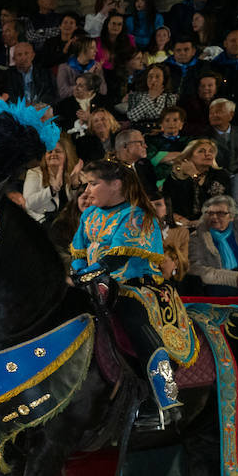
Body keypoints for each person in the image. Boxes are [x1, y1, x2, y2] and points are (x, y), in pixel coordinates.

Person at [71, 159, 178, 425]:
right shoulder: (89, 214)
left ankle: (166, 397)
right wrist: (78, 271)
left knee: (134, 323)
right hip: (93, 286)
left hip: (132, 288)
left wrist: (87, 275)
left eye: (94, 183)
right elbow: (79, 251)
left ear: (116, 184)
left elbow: (116, 259)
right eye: (86, 183)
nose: (87, 190)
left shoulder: (137, 214)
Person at [186, 195, 238, 296]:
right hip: (220, 283)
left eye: (220, 213)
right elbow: (195, 268)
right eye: (211, 213)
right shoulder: (197, 237)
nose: (214, 217)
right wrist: (234, 279)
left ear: (232, 216)